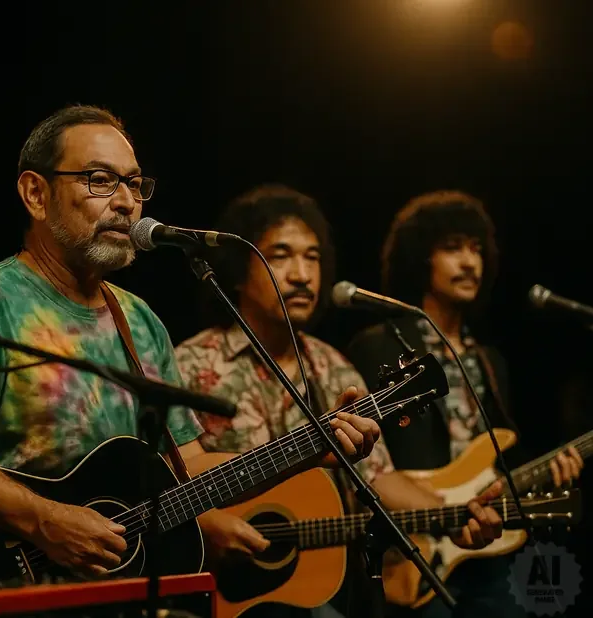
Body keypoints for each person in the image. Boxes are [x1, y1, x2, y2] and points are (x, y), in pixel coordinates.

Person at [0, 106, 384, 581]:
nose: (125, 202)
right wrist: (43, 520)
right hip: (2, 582)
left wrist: (308, 449)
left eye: (134, 184)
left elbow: (186, 472)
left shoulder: (139, 320)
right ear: (36, 194)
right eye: (100, 180)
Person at [174, 186, 506, 618]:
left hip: (308, 592)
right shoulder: (189, 363)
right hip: (217, 590)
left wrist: (455, 515)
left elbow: (381, 478)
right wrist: (205, 525)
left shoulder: (335, 369)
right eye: (280, 255)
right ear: (238, 272)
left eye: (312, 257)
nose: (300, 274)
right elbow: (166, 484)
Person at [347, 190, 583, 617]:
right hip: (414, 545)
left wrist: (550, 470)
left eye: (476, 249)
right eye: (452, 248)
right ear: (421, 257)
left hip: (485, 542)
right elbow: (369, 459)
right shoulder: (378, 345)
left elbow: (499, 450)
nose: (469, 262)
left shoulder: (488, 359)